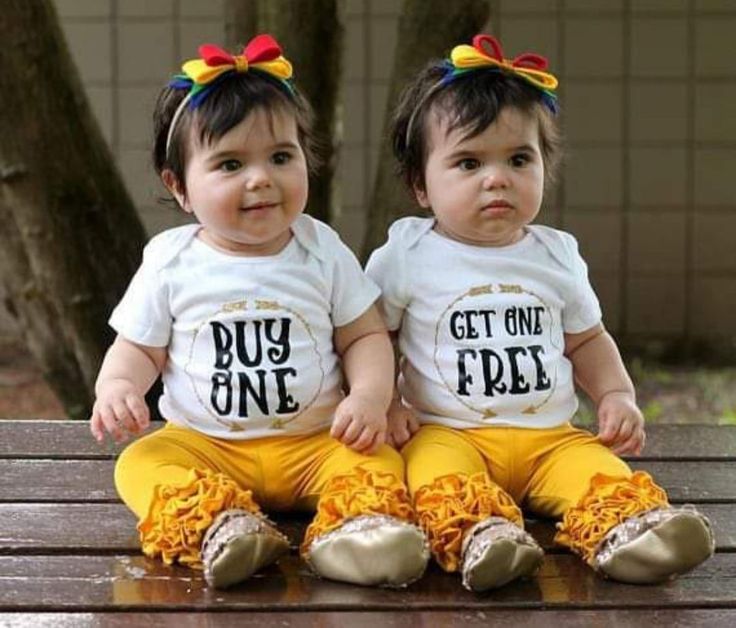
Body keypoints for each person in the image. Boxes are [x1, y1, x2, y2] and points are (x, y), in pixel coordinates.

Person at [366, 33, 714, 593]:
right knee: (437, 476)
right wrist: (387, 401)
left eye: (519, 158)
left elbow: (587, 339)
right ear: (420, 185)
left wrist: (616, 395)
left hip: (550, 434)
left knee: (599, 472)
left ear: (544, 167)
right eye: (468, 162)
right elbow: (370, 338)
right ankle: (483, 535)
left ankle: (634, 535)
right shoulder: (406, 254)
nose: (497, 177)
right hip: (449, 431)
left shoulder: (554, 253)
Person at [89, 34, 428, 590]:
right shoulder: (171, 262)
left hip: (318, 443)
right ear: (180, 187)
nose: (261, 178)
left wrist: (370, 398)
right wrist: (118, 387)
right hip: (207, 447)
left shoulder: (321, 249)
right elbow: (137, 347)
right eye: (229, 163)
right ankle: (220, 528)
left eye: (280, 156)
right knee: (140, 464)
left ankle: (359, 533)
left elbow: (366, 336)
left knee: (380, 462)